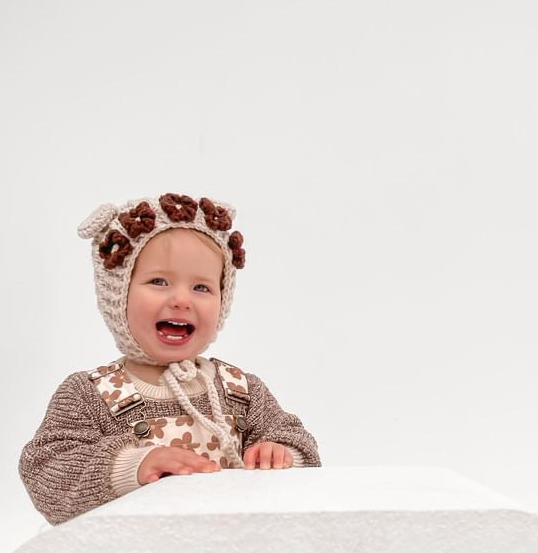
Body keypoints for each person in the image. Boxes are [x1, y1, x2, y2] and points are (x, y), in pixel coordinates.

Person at [19, 192, 321, 525]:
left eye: (202, 287)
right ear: (118, 295)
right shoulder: (89, 394)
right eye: (159, 281)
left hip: (230, 551)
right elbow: (46, 472)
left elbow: (300, 443)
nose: (181, 299)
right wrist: (133, 466)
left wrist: (281, 454)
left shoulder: (240, 390)